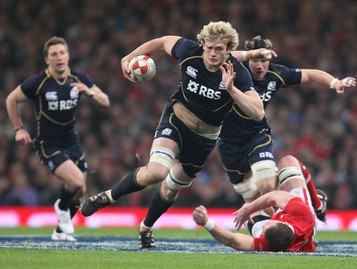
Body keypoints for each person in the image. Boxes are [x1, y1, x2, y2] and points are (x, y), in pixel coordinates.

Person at [80, 21, 274, 247]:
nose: (213, 53)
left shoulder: (237, 73)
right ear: (202, 44)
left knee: (171, 190)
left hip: (203, 140)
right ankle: (106, 197)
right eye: (209, 47)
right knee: (156, 172)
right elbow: (163, 42)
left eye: (219, 49)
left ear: (229, 50)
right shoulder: (189, 51)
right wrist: (127, 58)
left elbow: (258, 112)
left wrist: (231, 89)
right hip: (175, 121)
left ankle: (145, 227)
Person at [217, 36, 356, 220]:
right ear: (248, 58)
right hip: (229, 143)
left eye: (264, 60)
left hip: (256, 135)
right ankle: (299, 202)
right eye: (255, 60)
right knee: (253, 203)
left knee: (266, 185)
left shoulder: (276, 74)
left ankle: (295, 216)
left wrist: (334, 82)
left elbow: (310, 74)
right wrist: (247, 54)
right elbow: (221, 56)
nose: (260, 65)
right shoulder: (234, 70)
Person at [5, 36, 110, 241]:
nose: (59, 57)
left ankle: (60, 232)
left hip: (72, 141)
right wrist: (19, 128)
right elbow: (11, 99)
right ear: (47, 60)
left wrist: (88, 92)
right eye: (54, 54)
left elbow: (105, 101)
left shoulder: (79, 79)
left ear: (68, 56)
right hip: (48, 143)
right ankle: (61, 207)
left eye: (62, 53)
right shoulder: (38, 82)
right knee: (77, 181)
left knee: (80, 190)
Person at [193, 155, 319, 252]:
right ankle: (319, 205)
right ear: (282, 221)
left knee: (249, 209)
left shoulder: (267, 243)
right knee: (287, 161)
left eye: (264, 230)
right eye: (267, 225)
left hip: (289, 233)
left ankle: (267, 179)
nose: (265, 226)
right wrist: (249, 209)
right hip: (305, 223)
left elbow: (233, 241)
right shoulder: (302, 215)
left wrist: (206, 223)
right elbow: (274, 196)